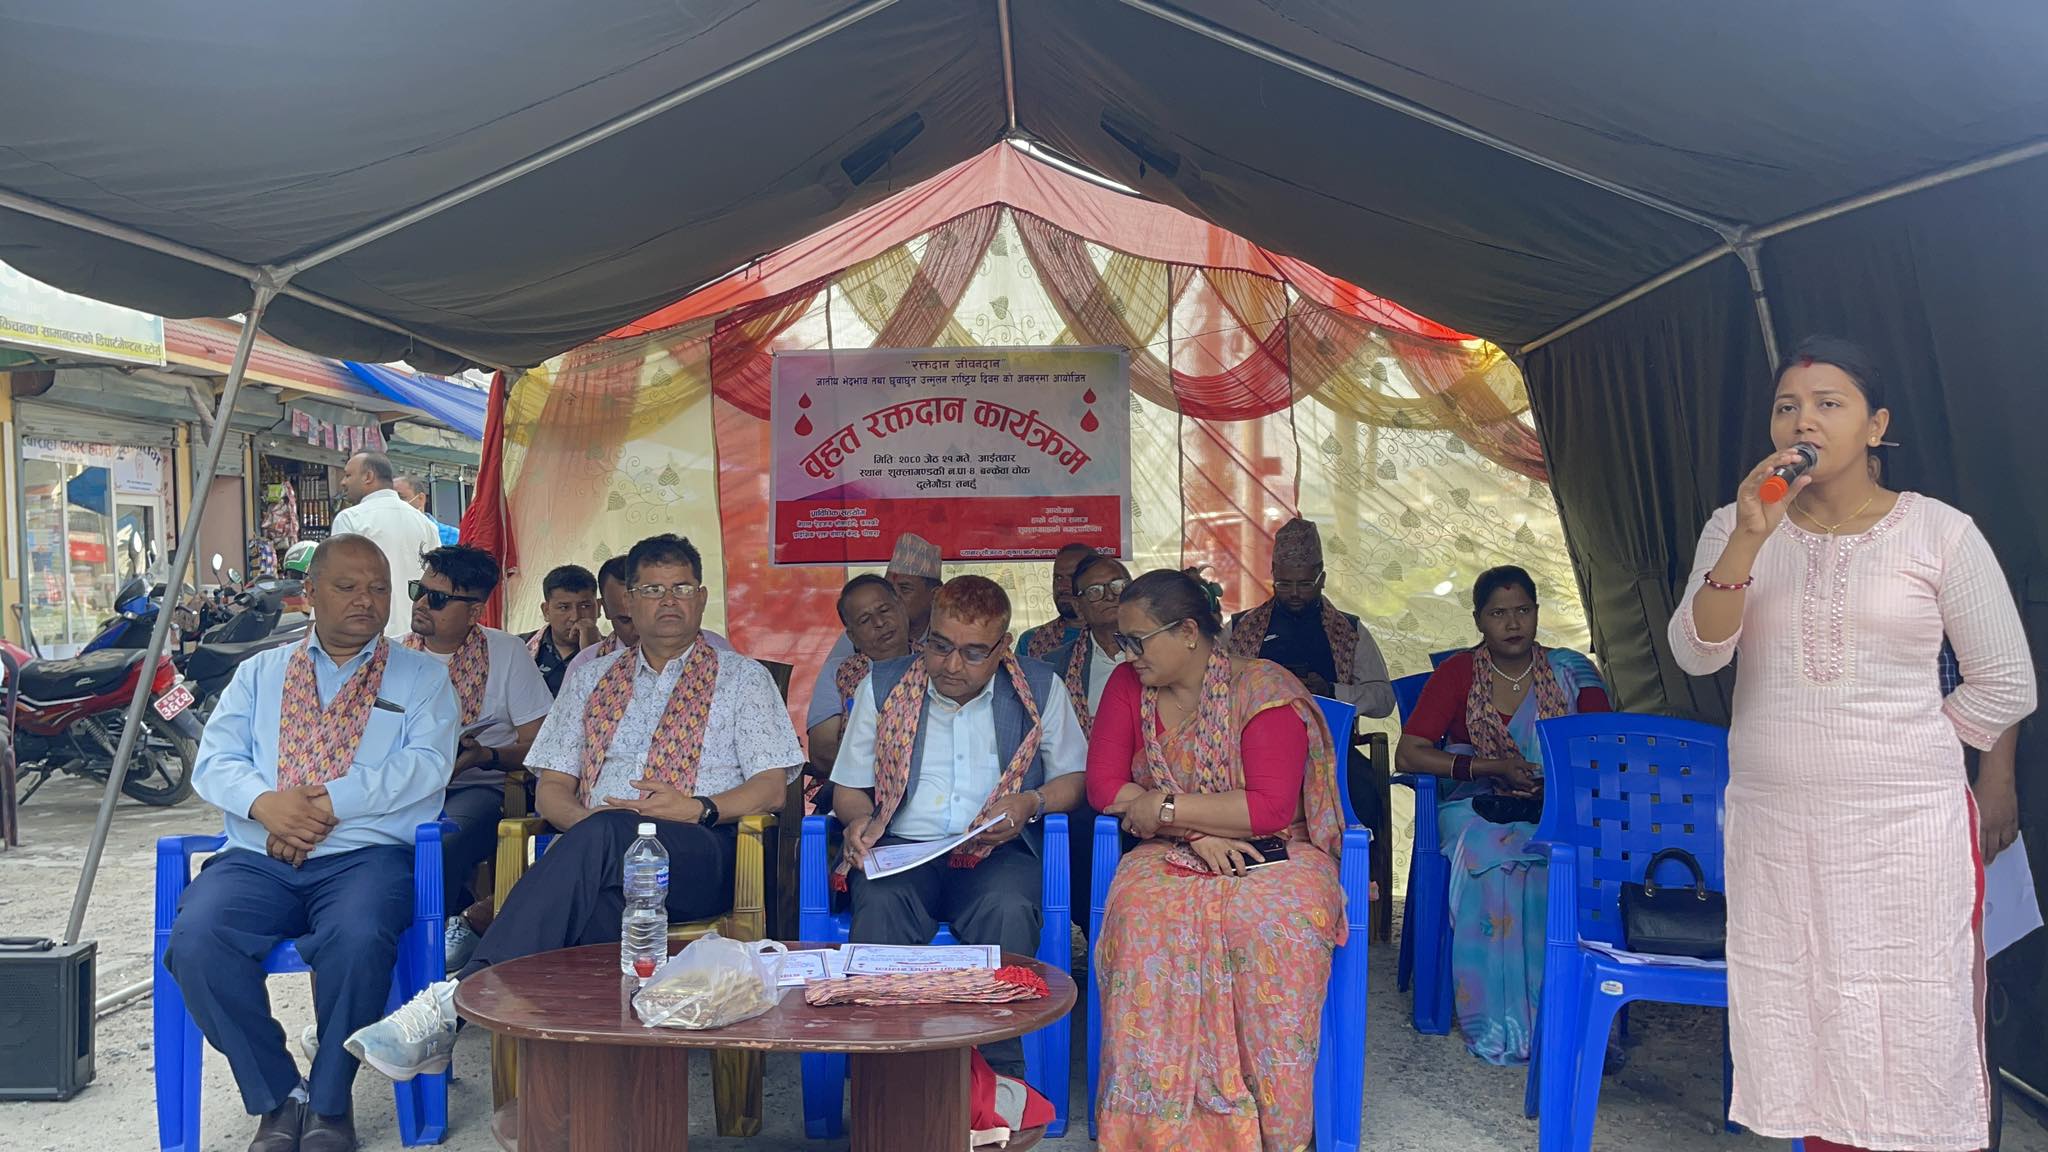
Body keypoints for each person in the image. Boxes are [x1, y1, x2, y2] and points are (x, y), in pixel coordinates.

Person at [1669, 336, 2035, 1152]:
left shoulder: (1938, 533)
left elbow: (2008, 681)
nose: (1803, 421)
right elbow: (1698, 652)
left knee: (1914, 1017)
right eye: (1787, 407)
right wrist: (1749, 538)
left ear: (1877, 426)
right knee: (1804, 1015)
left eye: (1828, 404)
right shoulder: (1734, 524)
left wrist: (1904, 743)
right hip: (1780, 832)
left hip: (1906, 835)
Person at [346, 533, 804, 1083]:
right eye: (652, 589)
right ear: (627, 601)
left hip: (700, 851)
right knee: (591, 909)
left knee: (604, 849)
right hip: (600, 857)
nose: (668, 601)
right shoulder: (590, 679)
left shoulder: (743, 678)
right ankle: (602, 1088)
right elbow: (551, 790)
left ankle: (451, 1007)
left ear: (702, 597)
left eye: (681, 588)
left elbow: (771, 788)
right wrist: (596, 833)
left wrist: (698, 808)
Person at [162, 535, 458, 1152]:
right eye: (347, 587)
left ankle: (329, 1101)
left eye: (378, 588)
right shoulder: (259, 673)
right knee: (198, 940)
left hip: (364, 858)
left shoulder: (423, 676)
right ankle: (278, 1098)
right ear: (310, 594)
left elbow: (426, 766)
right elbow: (215, 762)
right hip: (257, 856)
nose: (365, 600)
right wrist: (267, 805)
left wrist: (325, 804)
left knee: (359, 937)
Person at [1087, 567, 1349, 1151]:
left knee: (1271, 925)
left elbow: (1268, 808)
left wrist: (1166, 807)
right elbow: (1104, 787)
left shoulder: (1261, 689)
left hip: (1277, 853)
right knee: (1142, 918)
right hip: (1169, 849)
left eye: (1137, 640)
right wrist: (1192, 829)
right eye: (1122, 642)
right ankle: (1154, 1127)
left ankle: (1273, 1126)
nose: (1127, 655)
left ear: (1187, 632)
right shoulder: (1127, 688)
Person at [830, 575, 1086, 1077]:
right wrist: (858, 819)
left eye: (972, 653)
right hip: (902, 847)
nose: (951, 665)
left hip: (999, 851)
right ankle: (887, 1076)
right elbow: (849, 787)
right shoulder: (883, 684)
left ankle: (996, 1080)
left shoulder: (1039, 687)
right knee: (879, 904)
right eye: (940, 646)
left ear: (1002, 647)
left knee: (1008, 909)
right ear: (925, 633)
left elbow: (1074, 779)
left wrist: (1030, 802)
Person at [1395, 565, 1609, 1065]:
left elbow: (1602, 747)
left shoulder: (1572, 671)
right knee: (1489, 852)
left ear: (1536, 612)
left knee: (1560, 858)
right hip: (1475, 804)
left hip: (1554, 806)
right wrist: (1490, 767)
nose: (1513, 623)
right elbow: (1409, 753)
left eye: (1522, 611)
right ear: (1479, 620)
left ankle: (1562, 1023)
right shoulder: (1459, 674)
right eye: (1498, 613)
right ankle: (1498, 1022)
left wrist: (1554, 783)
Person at [402, 545, 554, 972]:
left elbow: (540, 745)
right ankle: (393, 941)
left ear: (473, 612)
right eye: (418, 590)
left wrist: (484, 755)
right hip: (402, 786)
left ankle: (430, 952)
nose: (421, 604)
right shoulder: (393, 654)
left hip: (479, 785)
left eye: (437, 598)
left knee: (437, 839)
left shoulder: (505, 653)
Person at [1228, 517, 1394, 717]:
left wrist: (1331, 692)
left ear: (1322, 579)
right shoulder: (1241, 629)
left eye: (1305, 584)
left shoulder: (1349, 632)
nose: (1294, 593)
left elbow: (1384, 699)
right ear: (1273, 577)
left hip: (1331, 734)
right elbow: (1207, 685)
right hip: (1254, 733)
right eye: (1284, 584)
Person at [1049, 553, 1130, 926]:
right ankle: (1092, 924)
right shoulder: (1056, 665)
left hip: (1151, 786)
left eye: (1118, 586)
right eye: (1095, 591)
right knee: (1075, 826)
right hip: (1084, 788)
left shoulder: (1159, 654)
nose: (1110, 596)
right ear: (1079, 606)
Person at [804, 575, 911, 801]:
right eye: (865, 620)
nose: (879, 623)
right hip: (857, 792)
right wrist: (884, 771)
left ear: (901, 607)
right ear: (852, 636)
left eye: (884, 610)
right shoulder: (838, 673)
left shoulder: (935, 666)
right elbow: (822, 754)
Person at [564, 553, 732, 682]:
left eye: (645, 615)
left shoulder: (718, 652)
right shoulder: (585, 667)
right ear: (605, 609)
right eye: (625, 620)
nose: (638, 629)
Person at [328, 452, 444, 639]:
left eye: (348, 475)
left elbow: (340, 580)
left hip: (370, 633)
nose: (343, 482)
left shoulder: (351, 519)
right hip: (417, 634)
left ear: (368, 477)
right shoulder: (426, 524)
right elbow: (437, 582)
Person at [816, 532, 941, 672]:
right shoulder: (860, 634)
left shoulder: (945, 634)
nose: (895, 595)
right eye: (890, 587)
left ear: (935, 595)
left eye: (905, 588)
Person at [522, 564, 599, 694]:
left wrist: (592, 651)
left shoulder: (616, 651)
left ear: (599, 608)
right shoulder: (520, 647)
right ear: (546, 611)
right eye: (564, 607)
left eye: (585, 606)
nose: (575, 617)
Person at [1017, 542, 1094, 661]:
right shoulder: (1031, 641)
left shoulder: (1115, 638)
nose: (1061, 586)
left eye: (1072, 577)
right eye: (1058, 578)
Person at [393, 474, 460, 546]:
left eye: (401, 498)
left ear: (421, 499)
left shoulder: (453, 537)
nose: (393, 503)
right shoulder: (389, 537)